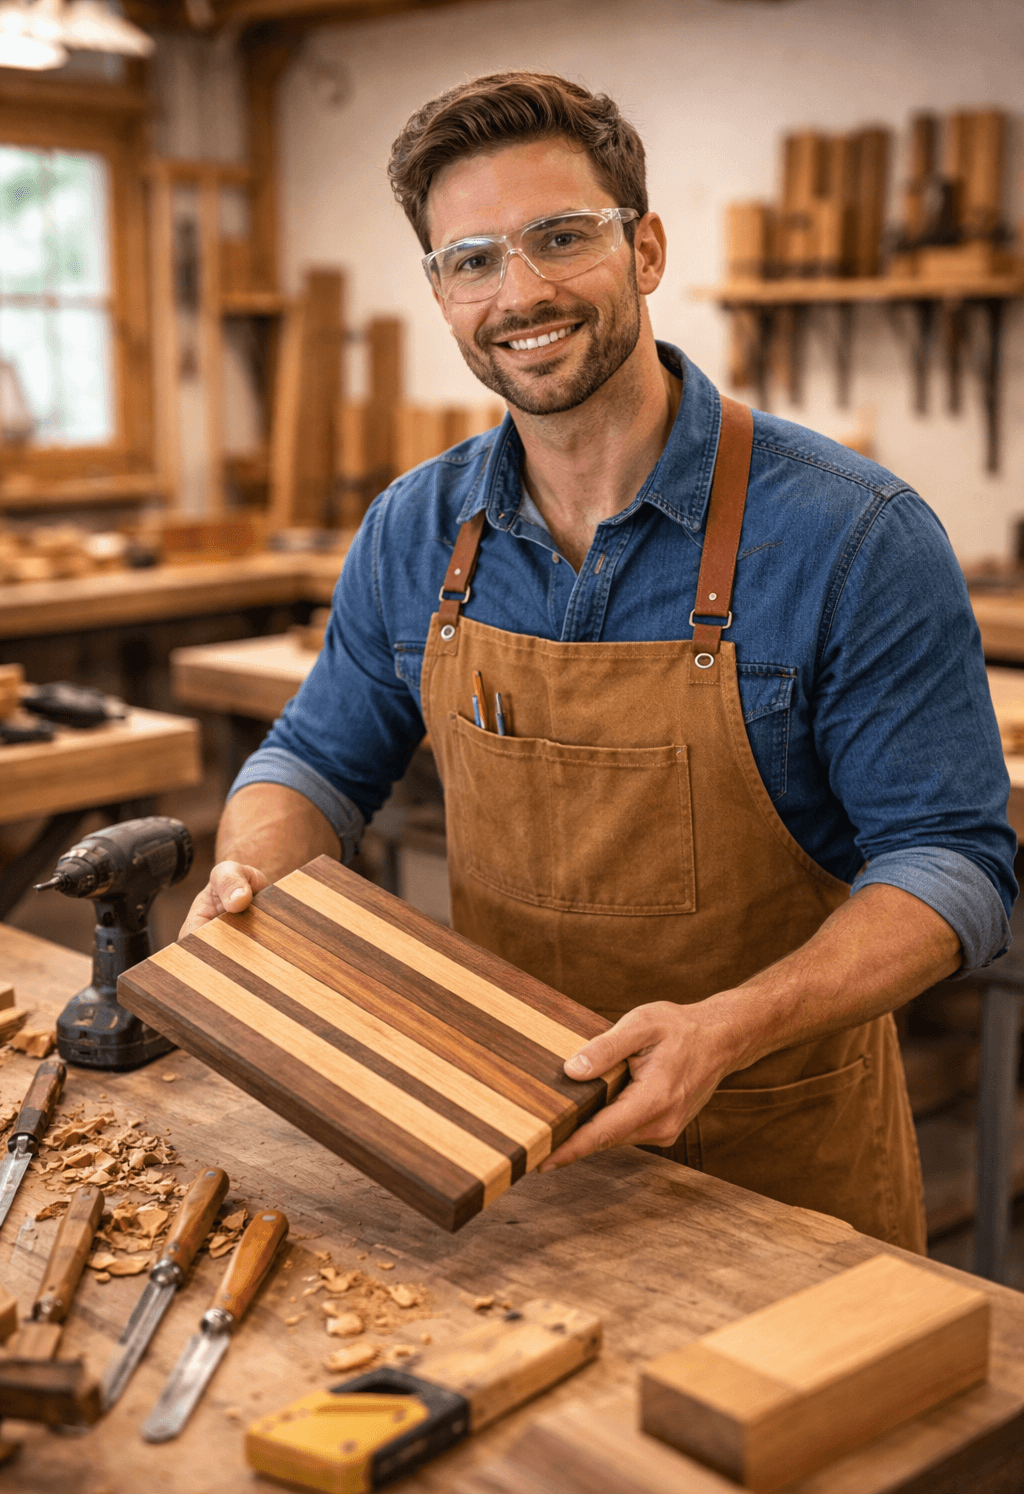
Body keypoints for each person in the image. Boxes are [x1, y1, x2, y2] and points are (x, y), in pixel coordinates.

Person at [182, 71, 1016, 1252]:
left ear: (646, 249)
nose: (519, 293)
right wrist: (250, 880)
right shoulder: (416, 532)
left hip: (775, 1159)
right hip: (504, 1152)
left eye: (560, 238)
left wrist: (727, 1029)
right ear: (439, 292)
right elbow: (313, 760)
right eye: (471, 260)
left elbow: (956, 869)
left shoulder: (854, 536)